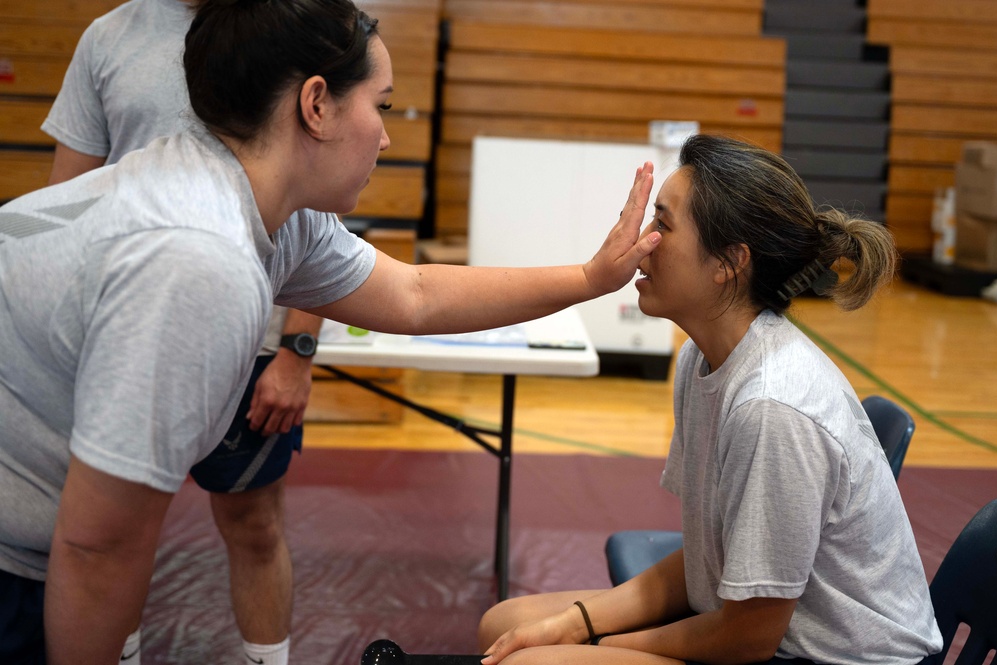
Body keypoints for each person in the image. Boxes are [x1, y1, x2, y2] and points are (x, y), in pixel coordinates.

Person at [0, 0, 662, 662]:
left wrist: (590, 276)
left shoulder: (261, 205)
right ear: (316, 105)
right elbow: (98, 547)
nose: (387, 137)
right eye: (382, 106)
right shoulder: (200, 257)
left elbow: (416, 294)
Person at [477, 134, 944, 665]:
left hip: (824, 657)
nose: (642, 242)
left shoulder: (773, 407)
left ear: (728, 262)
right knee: (505, 624)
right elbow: (706, 560)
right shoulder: (700, 362)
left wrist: (598, 643)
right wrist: (572, 623)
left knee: (532, 662)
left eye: (663, 225)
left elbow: (748, 638)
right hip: (758, 633)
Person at [38, 1, 321, 662]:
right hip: (126, 334)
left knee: (253, 523)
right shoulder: (110, 38)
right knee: (114, 531)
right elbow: (66, 195)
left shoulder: (288, 24)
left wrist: (297, 349)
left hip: (250, 339)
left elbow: (316, 197)